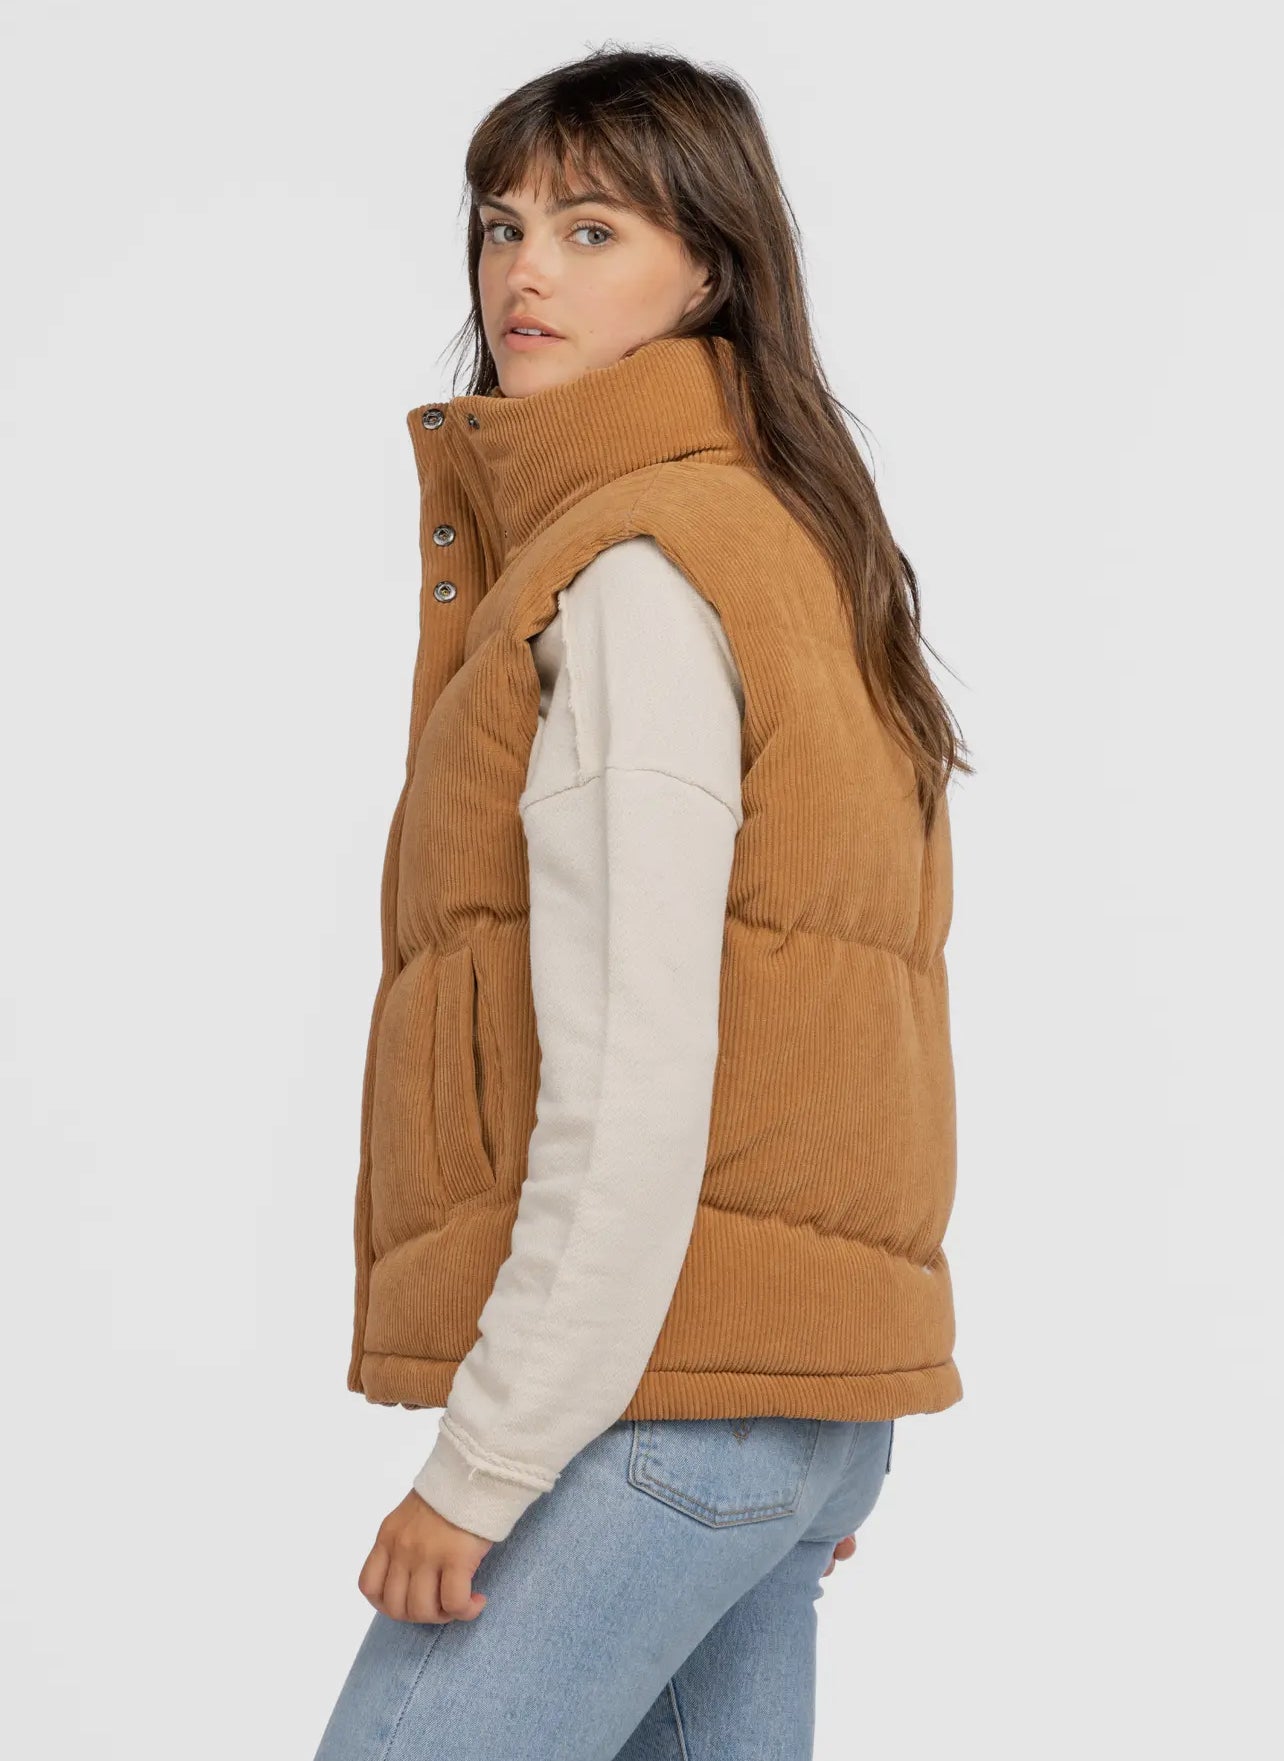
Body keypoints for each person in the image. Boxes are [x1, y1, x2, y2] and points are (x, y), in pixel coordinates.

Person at [314, 43, 970, 1761]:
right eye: (504, 224)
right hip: (775, 1406)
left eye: (592, 228)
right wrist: (811, 1408)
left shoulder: (635, 576)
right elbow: (836, 1026)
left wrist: (482, 1467)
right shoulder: (799, 545)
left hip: (650, 1406)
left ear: (710, 271)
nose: (524, 269)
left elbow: (634, 1083)